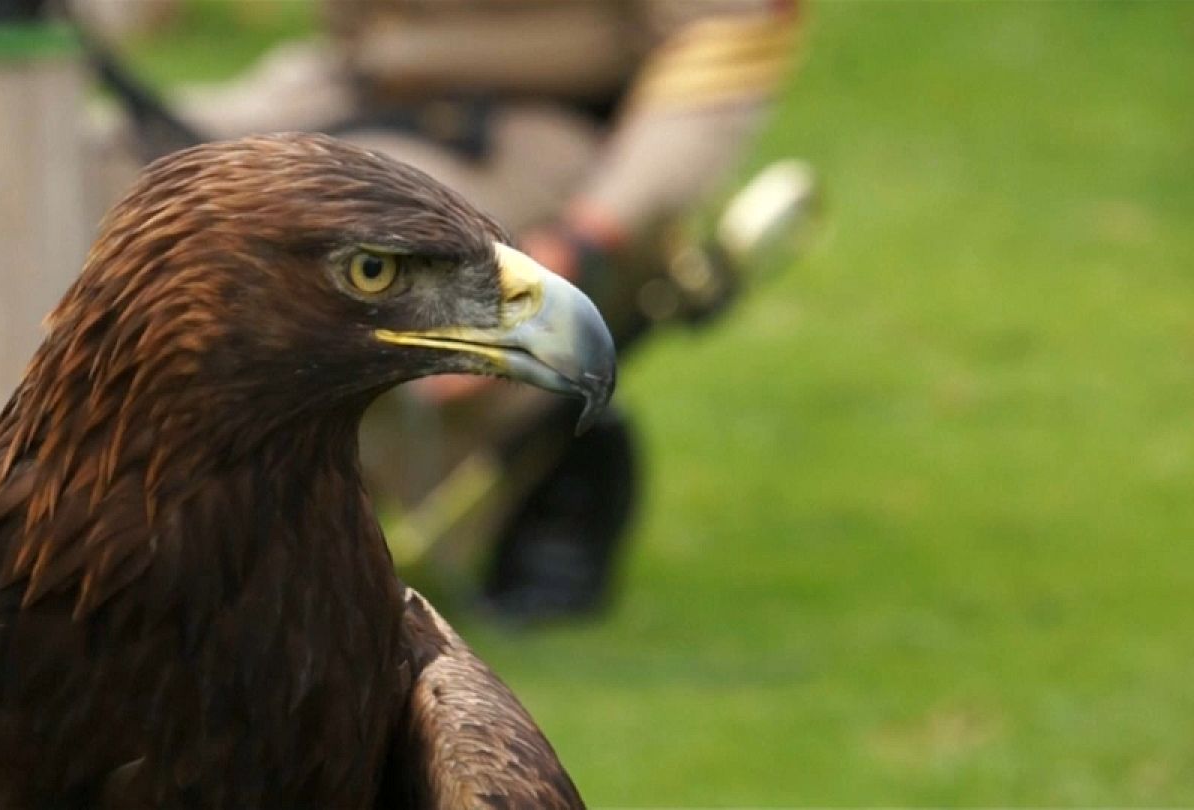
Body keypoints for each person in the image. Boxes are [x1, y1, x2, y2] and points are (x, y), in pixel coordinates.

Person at [99, 0, 806, 622]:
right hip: (341, 86)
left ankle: (535, 462)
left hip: (540, 124)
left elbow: (721, 46)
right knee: (69, 164)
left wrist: (590, 238)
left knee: (351, 268)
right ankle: (77, 525)